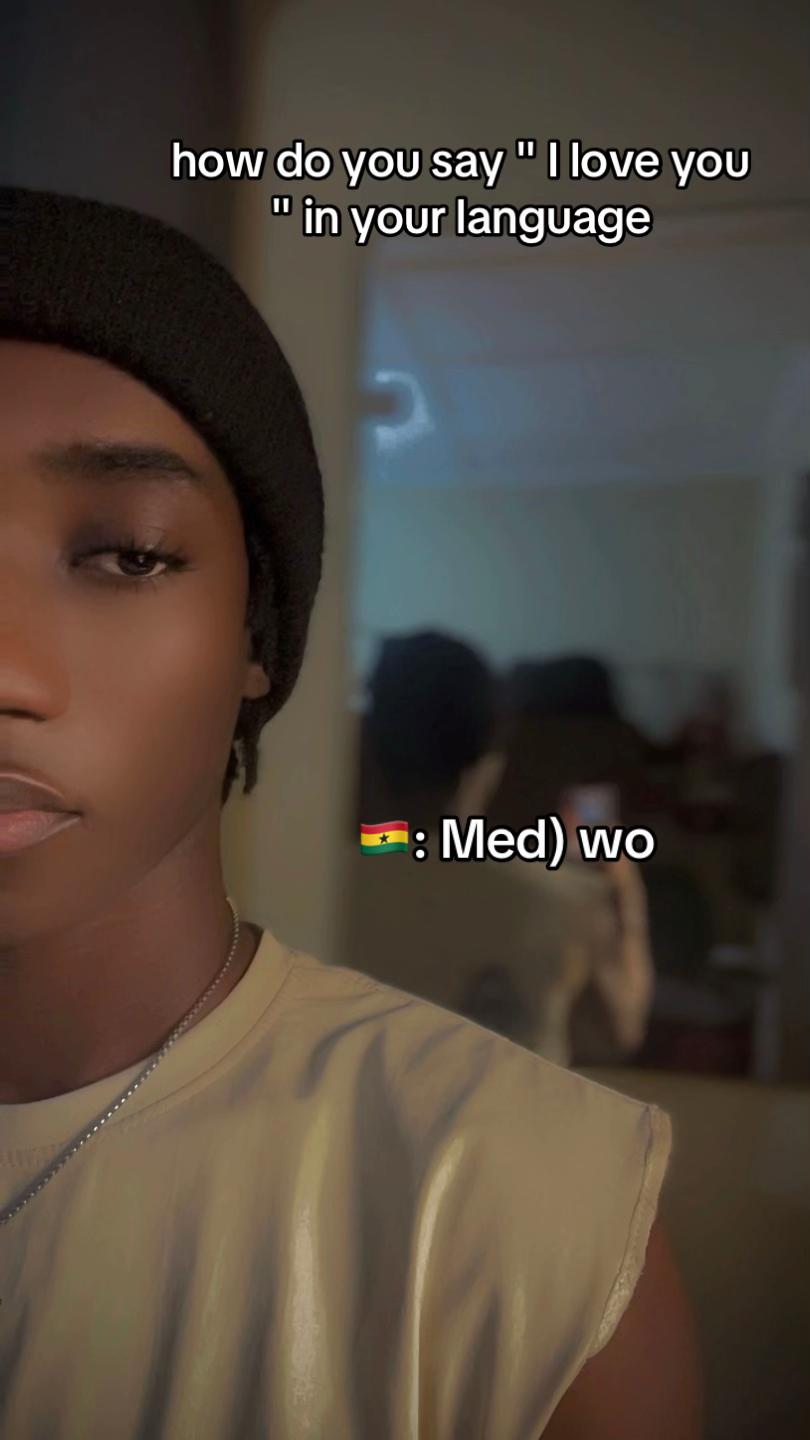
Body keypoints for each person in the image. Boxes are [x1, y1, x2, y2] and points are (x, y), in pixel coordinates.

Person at [0, 186, 700, 1439]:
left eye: (129, 553)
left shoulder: (529, 1206)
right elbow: (624, 1011)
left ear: (258, 639)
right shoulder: (546, 877)